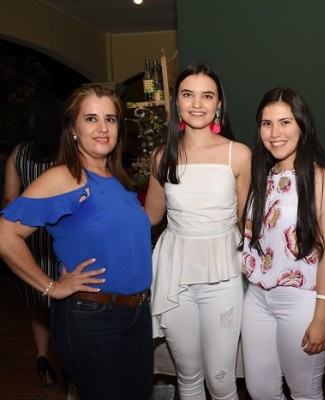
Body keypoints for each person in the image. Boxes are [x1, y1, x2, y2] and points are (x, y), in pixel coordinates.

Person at [0, 85, 154, 400]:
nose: (102, 127)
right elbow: (5, 235)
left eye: (110, 119)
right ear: (73, 128)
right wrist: (51, 287)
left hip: (136, 314)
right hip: (91, 318)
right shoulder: (66, 177)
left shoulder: (116, 178)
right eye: (91, 118)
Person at [145, 61, 251, 400]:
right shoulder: (162, 156)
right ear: (177, 101)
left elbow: (247, 223)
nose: (197, 104)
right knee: (187, 377)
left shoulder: (239, 154)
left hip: (223, 272)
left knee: (220, 380)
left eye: (207, 96)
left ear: (219, 104)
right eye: (188, 94)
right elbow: (150, 216)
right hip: (175, 272)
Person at [240, 87, 325, 399]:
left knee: (305, 392)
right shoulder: (260, 176)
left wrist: (321, 314)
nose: (274, 132)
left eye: (284, 122)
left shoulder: (319, 177)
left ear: (301, 126)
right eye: (266, 123)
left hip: (303, 301)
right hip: (257, 298)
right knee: (260, 390)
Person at [2, 93, 63, 386]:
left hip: (28, 240)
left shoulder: (18, 154)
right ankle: (69, 363)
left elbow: (10, 200)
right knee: (65, 300)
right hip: (61, 235)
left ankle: (42, 355)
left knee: (37, 302)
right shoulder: (68, 153)